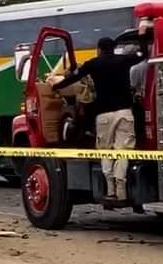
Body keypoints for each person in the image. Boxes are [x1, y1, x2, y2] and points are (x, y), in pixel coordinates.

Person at [53, 37, 143, 202]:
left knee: (106, 151)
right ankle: (121, 190)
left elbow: (73, 78)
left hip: (104, 115)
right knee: (123, 152)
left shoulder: (93, 63)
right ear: (114, 48)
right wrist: (143, 38)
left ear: (99, 49)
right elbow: (142, 54)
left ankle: (111, 191)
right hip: (124, 113)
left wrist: (56, 86)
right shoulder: (123, 60)